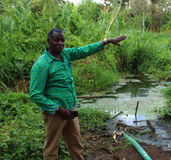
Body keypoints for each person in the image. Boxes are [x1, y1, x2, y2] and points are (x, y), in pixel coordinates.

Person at [30, 28, 127, 160]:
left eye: (62, 40)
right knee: (52, 148)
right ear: (49, 41)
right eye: (56, 40)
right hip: (55, 114)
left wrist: (106, 41)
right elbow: (35, 94)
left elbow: (84, 50)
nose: (60, 43)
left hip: (70, 110)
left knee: (76, 144)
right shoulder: (42, 64)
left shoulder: (66, 55)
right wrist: (58, 109)